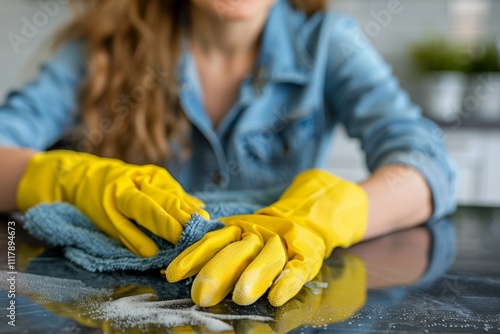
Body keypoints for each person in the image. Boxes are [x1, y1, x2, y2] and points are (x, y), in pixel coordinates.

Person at [0, 0, 456, 307]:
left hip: (277, 293)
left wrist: (328, 214)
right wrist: (70, 178)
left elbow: (426, 162)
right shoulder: (104, 44)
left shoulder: (328, 43)